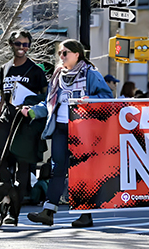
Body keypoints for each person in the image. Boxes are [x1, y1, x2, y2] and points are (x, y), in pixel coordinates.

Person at [25, 39, 112, 228]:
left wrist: (89, 99)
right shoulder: (57, 75)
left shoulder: (91, 73)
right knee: (58, 169)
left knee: (82, 171)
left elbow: (106, 97)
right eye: (60, 54)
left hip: (82, 130)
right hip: (61, 128)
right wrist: (33, 111)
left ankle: (86, 215)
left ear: (76, 54)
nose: (61, 57)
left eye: (65, 53)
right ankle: (48, 212)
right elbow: (50, 102)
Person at [0, 30, 47, 224]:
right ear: (11, 45)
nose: (22, 48)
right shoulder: (5, 68)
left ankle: (13, 213)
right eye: (18, 44)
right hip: (5, 121)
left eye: (26, 44)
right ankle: (5, 200)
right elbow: (3, 100)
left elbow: (46, 98)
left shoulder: (36, 71)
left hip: (25, 125)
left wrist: (33, 109)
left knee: (22, 169)